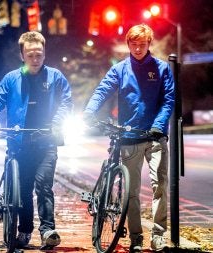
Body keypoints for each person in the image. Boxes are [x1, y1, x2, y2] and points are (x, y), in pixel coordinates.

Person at [0, 31, 73, 250]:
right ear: (22, 55)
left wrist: (57, 122)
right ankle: (24, 231)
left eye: (39, 54)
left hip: (47, 141)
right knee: (23, 191)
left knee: (44, 186)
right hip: (18, 142)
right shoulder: (11, 78)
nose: (35, 59)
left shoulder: (55, 77)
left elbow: (66, 101)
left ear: (44, 53)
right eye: (30, 54)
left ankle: (47, 231)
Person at [83, 24, 175, 252]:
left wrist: (158, 125)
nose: (137, 48)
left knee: (160, 186)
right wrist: (89, 111)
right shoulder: (120, 70)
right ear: (128, 44)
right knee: (131, 192)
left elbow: (168, 100)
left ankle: (158, 235)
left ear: (149, 44)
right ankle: (136, 237)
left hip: (155, 136)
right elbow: (102, 90)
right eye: (133, 44)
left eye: (142, 44)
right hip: (129, 136)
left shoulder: (162, 69)